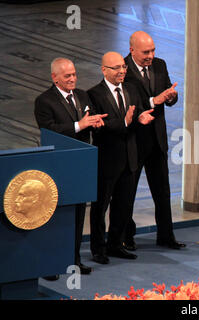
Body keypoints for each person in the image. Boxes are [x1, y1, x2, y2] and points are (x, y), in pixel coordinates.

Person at [34, 57, 107, 276]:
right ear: (54, 77)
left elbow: (90, 123)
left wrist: (97, 124)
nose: (73, 79)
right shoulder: (44, 101)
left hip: (80, 165)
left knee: (77, 215)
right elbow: (49, 130)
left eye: (74, 74)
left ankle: (73, 260)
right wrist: (79, 125)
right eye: (67, 76)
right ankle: (50, 264)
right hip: (57, 165)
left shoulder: (83, 96)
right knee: (54, 217)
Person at [87, 51, 154, 264]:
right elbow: (99, 127)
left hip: (130, 158)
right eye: (116, 68)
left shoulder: (132, 89)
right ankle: (98, 249)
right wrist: (124, 122)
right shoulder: (93, 95)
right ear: (104, 69)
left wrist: (141, 117)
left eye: (123, 67)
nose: (122, 71)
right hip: (107, 160)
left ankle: (116, 244)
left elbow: (137, 114)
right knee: (100, 207)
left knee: (123, 205)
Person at [123, 31, 185, 250]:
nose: (151, 55)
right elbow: (127, 103)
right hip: (134, 141)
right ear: (132, 51)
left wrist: (171, 96)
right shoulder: (123, 70)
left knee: (162, 191)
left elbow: (167, 94)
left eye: (153, 50)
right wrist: (153, 100)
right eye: (146, 52)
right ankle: (125, 237)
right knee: (127, 192)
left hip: (157, 140)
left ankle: (166, 236)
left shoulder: (160, 65)